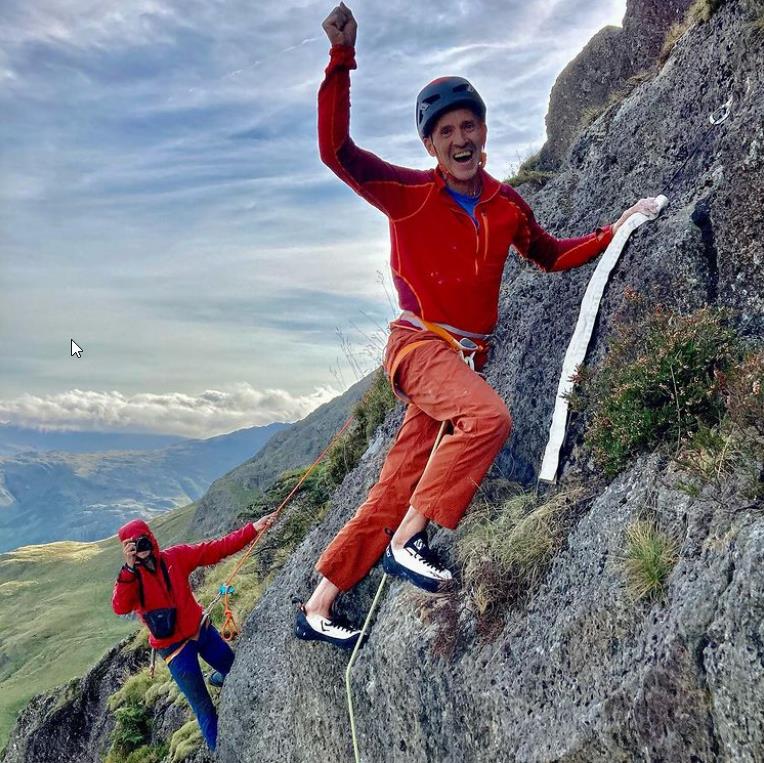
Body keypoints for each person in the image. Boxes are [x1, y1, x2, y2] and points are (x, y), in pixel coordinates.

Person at [294, 2, 659, 650]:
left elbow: (550, 254)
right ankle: (410, 541)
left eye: (470, 125)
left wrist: (614, 229)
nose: (461, 139)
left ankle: (318, 603)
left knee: (396, 483)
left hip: (461, 364)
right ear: (429, 144)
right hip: (419, 346)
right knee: (488, 420)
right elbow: (336, 151)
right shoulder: (408, 193)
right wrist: (340, 57)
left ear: (484, 130)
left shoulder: (505, 205)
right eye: (446, 131)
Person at [112, 514, 275, 750]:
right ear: (127, 549)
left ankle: (218, 677)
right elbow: (120, 606)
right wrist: (128, 569)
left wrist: (253, 529)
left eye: (143, 540)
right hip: (176, 651)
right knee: (204, 709)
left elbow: (215, 549)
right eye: (134, 545)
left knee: (233, 669)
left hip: (202, 631)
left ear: (151, 538)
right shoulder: (130, 579)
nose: (141, 548)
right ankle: (221, 754)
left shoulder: (174, 558)